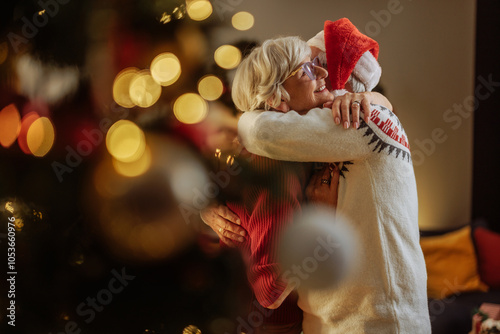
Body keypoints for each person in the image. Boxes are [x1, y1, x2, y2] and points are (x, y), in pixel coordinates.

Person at [227, 19, 431, 333]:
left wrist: (378, 100)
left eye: (323, 65)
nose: (324, 74)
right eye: (309, 67)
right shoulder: (293, 152)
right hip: (320, 321)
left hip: (383, 320)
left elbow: (259, 129)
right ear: (277, 97)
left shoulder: (362, 117)